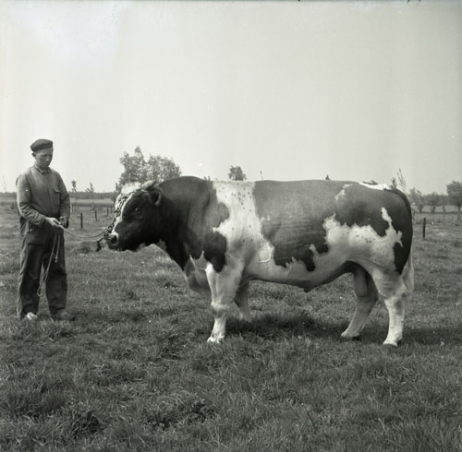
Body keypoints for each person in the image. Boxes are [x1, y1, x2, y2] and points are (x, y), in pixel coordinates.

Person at [16, 138, 74, 321]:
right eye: (44, 156)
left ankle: (58, 310)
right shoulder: (25, 177)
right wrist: (44, 219)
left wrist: (64, 217)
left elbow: (65, 200)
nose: (48, 159)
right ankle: (27, 312)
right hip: (34, 232)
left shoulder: (56, 176)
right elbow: (23, 208)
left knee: (57, 270)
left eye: (51, 155)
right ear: (34, 155)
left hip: (55, 233)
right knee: (30, 272)